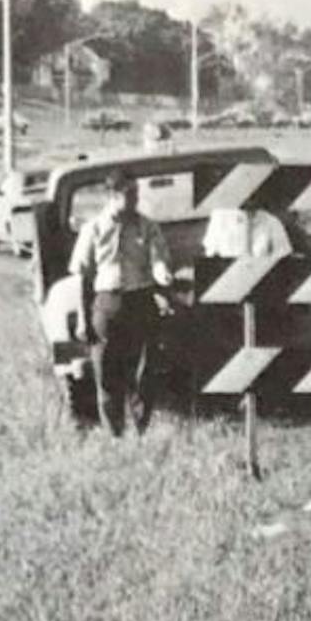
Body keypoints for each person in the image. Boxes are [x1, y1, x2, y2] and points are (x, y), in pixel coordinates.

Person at [72, 170, 176, 435]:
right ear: (112, 195)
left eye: (136, 194)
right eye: (129, 195)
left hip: (141, 302)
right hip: (107, 304)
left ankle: (142, 427)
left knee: (144, 370)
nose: (134, 201)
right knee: (107, 374)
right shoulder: (93, 229)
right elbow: (82, 277)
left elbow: (158, 258)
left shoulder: (147, 226)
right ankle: (114, 432)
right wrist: (83, 320)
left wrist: (162, 271)